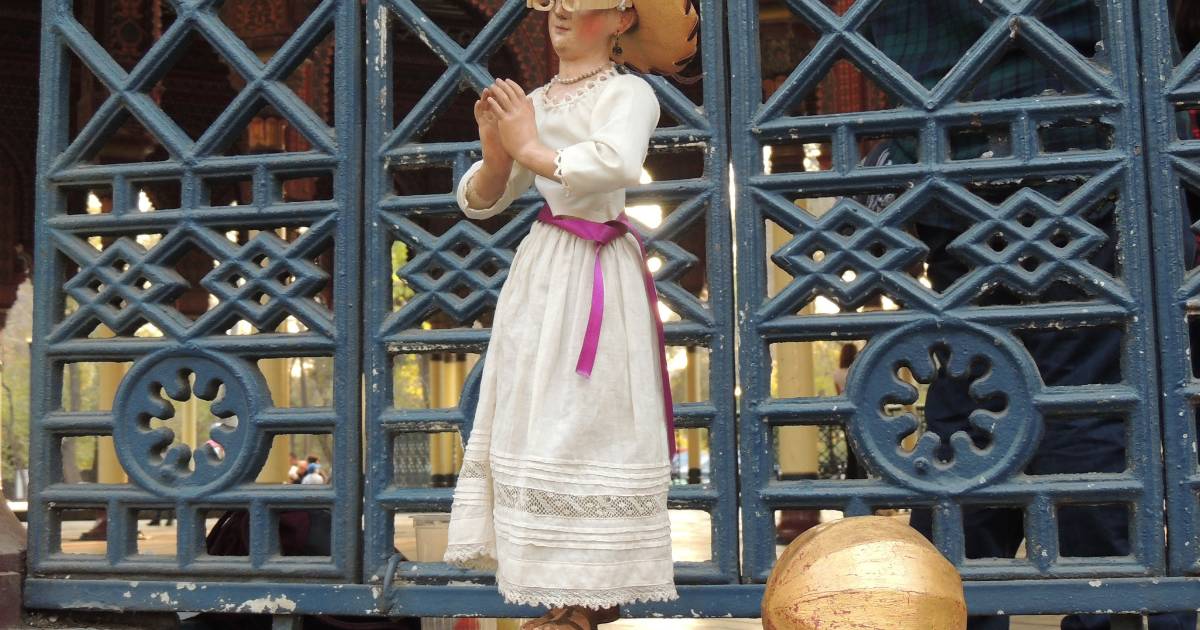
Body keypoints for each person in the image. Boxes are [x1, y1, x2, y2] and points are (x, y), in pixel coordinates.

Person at [860, 2, 1196, 629]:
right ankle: (1106, 608)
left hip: (947, 152)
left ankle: (950, 610)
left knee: (971, 400)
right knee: (1088, 403)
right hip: (1082, 145)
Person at [442, 1, 699, 628]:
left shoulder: (629, 93)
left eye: (580, 1)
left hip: (597, 271)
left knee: (588, 417)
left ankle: (592, 596)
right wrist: (497, 153)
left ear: (620, 20)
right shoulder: (535, 100)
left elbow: (614, 163)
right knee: (538, 417)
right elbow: (482, 201)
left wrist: (526, 144)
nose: (560, 10)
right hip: (544, 268)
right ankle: (559, 595)